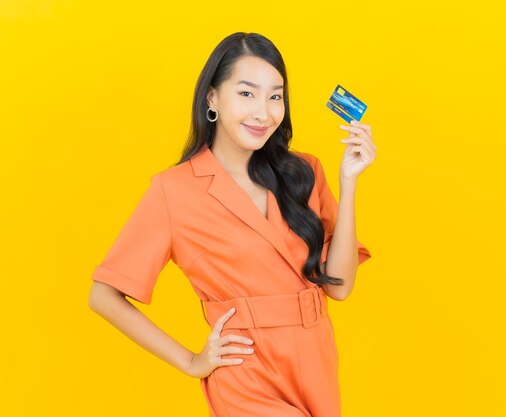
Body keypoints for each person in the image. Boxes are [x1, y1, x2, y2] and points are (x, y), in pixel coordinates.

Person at [88, 32, 376, 417]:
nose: (264, 112)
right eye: (246, 94)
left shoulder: (304, 172)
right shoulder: (173, 192)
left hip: (317, 360)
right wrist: (191, 361)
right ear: (212, 98)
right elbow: (103, 295)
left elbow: (339, 288)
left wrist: (349, 180)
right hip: (246, 373)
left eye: (275, 96)